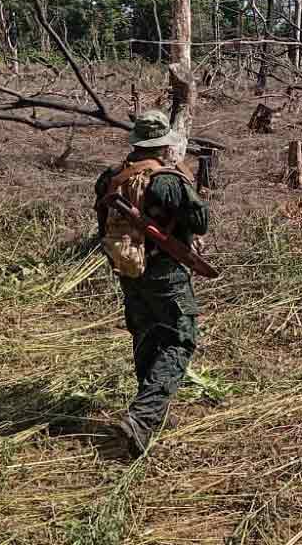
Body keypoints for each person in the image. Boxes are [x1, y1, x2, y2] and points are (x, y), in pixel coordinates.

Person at [94, 110, 209, 456]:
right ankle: (142, 419)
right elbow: (200, 222)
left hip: (129, 271)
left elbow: (102, 222)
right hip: (166, 271)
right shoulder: (167, 180)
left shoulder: (110, 178)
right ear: (163, 146)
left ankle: (148, 413)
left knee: (146, 336)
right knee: (180, 339)